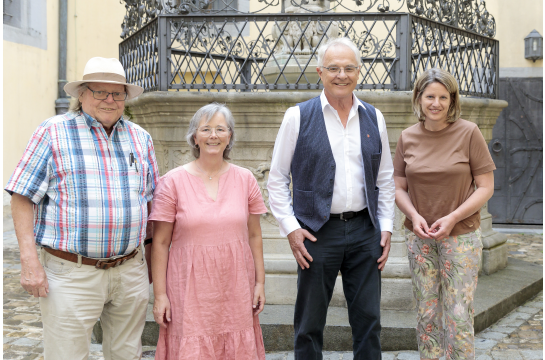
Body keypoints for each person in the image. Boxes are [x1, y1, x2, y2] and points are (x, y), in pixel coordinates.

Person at [5, 57, 159, 359]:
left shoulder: (141, 138)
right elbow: (22, 196)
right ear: (82, 95)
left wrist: (150, 260)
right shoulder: (52, 132)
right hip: (70, 274)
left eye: (117, 93)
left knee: (128, 354)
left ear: (126, 98)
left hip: (129, 270)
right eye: (100, 92)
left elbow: (150, 202)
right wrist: (28, 260)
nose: (109, 100)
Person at [267, 37, 396, 360]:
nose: (342, 75)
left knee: (369, 321)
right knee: (309, 325)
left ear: (359, 72)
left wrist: (386, 227)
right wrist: (291, 229)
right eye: (334, 68)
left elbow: (384, 178)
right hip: (316, 232)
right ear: (320, 72)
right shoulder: (297, 116)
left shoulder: (374, 117)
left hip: (365, 231)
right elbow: (277, 179)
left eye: (349, 68)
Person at [150, 103, 268, 359]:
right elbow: (160, 243)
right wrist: (160, 296)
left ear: (229, 136)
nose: (213, 135)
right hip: (189, 287)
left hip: (235, 284)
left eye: (220, 129)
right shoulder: (172, 182)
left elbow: (254, 235)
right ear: (195, 137)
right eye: (205, 129)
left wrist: (260, 282)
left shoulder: (246, 179)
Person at [393, 68, 495, 360]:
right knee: (426, 312)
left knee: (459, 313)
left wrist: (453, 217)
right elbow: (399, 187)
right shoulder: (407, 137)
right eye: (429, 96)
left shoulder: (469, 132)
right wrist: (413, 215)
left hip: (460, 237)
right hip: (419, 237)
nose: (435, 103)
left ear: (452, 100)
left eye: (443, 97)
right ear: (418, 98)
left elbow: (485, 187)